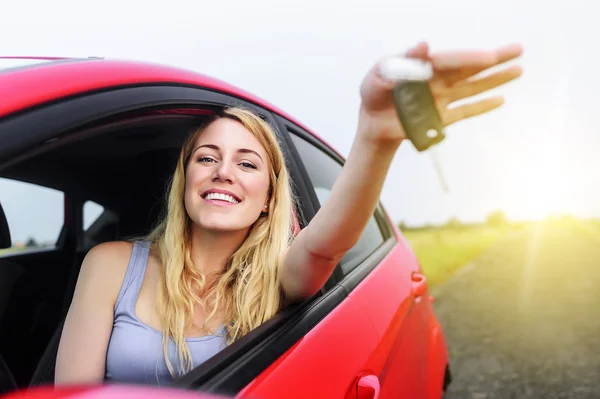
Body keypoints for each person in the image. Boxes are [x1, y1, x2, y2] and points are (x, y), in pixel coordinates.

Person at [54, 42, 523, 386]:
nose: (223, 172)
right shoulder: (112, 264)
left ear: (267, 200)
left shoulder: (277, 277)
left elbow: (325, 245)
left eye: (247, 163)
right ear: (186, 181)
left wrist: (375, 137)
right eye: (206, 157)